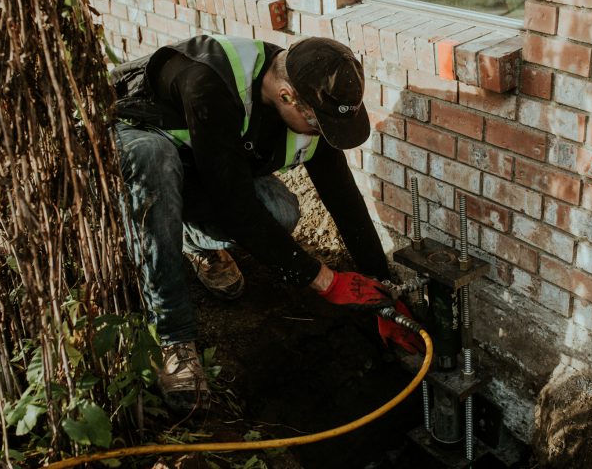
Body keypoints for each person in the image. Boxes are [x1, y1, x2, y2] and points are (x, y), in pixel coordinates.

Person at [111, 34, 424, 414]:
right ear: (287, 95)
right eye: (316, 123)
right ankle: (173, 336)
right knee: (154, 157)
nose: (319, 132)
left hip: (206, 165)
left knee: (281, 211)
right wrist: (326, 280)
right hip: (142, 136)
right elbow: (236, 209)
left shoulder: (311, 103)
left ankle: (194, 242)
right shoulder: (209, 83)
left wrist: (383, 293)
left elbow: (343, 199)